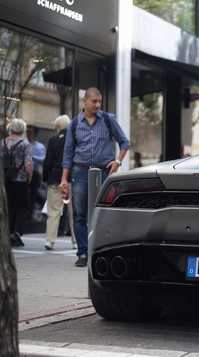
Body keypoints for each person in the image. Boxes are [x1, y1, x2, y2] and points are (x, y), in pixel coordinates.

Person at [61, 87, 130, 267]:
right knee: (79, 214)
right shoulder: (75, 124)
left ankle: (100, 251)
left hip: (103, 172)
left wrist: (118, 162)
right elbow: (68, 152)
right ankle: (83, 253)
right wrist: (63, 179)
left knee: (103, 213)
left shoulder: (108, 119)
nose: (97, 105)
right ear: (85, 101)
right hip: (81, 172)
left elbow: (124, 142)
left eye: (99, 101)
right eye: (94, 101)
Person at [42, 115, 77, 250]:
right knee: (74, 212)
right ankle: (76, 241)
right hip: (72, 180)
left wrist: (45, 179)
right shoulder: (75, 140)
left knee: (53, 211)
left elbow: (47, 162)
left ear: (58, 127)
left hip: (55, 179)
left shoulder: (53, 140)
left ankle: (50, 241)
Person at [2, 118, 33, 247]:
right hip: (20, 179)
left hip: (5, 179)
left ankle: (9, 233)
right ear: (22, 129)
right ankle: (17, 231)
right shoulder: (25, 144)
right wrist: (29, 175)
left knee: (11, 207)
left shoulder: (1, 142)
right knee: (25, 207)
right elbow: (28, 163)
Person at [26, 124, 47, 217]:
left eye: (30, 132)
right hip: (23, 174)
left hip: (35, 175)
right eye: (27, 131)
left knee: (32, 196)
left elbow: (43, 159)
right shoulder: (24, 144)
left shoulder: (40, 147)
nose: (28, 133)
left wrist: (30, 158)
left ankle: (30, 216)